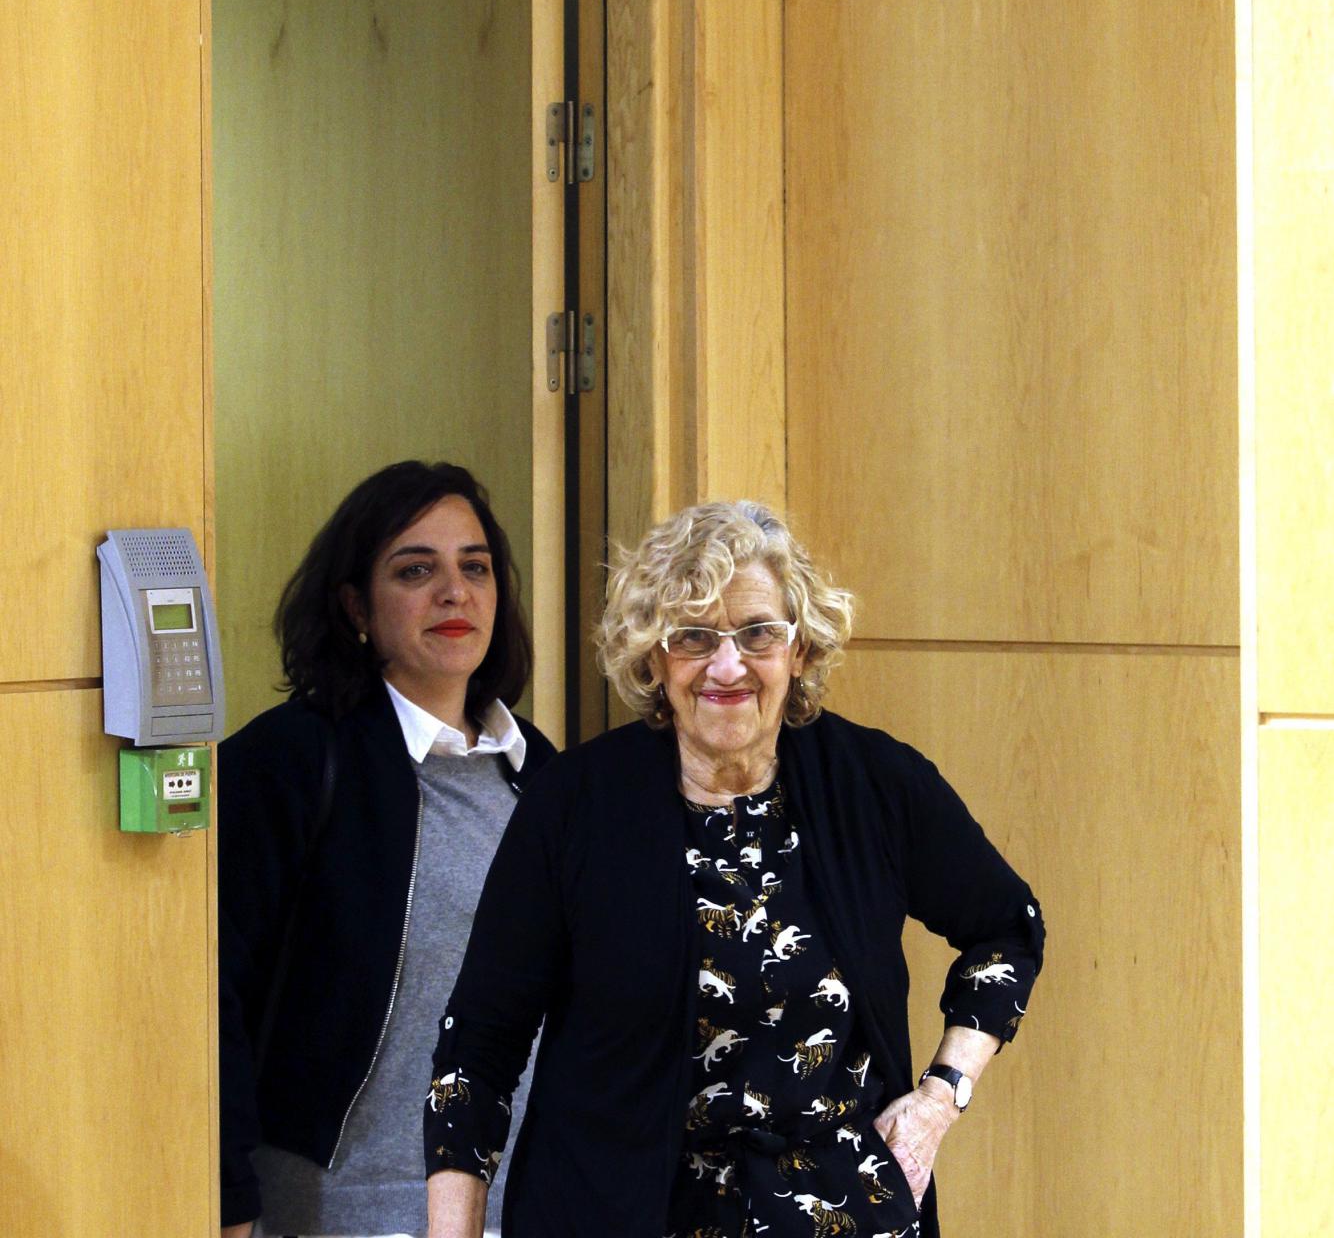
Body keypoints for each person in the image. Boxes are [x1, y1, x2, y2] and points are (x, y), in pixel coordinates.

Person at [422, 499, 1044, 1238]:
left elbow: (1007, 928)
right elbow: (478, 1048)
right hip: (617, 1212)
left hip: (840, 1213)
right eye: (692, 637)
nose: (727, 665)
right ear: (653, 657)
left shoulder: (873, 782)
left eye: (757, 633)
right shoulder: (575, 803)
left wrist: (940, 1097)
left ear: (798, 649)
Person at [218, 459, 555, 1238]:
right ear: (355, 606)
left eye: (475, 567)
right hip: (338, 1208)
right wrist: (229, 1202)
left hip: (520, 1200)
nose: (454, 592)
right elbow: (216, 997)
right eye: (415, 570)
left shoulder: (540, 771)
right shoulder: (289, 762)